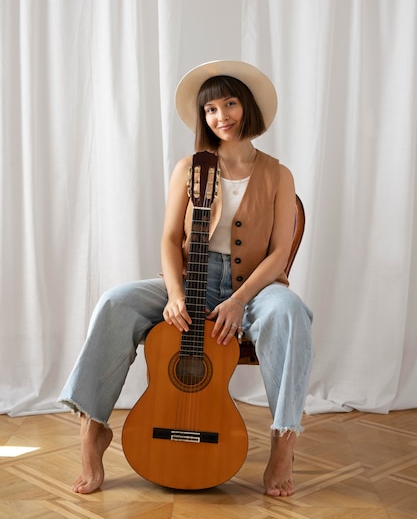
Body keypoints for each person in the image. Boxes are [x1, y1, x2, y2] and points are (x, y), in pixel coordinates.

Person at [59, 60, 313, 498]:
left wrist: (239, 300)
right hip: (191, 278)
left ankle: (283, 439)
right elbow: (169, 237)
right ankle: (93, 428)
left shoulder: (278, 174)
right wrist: (175, 294)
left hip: (252, 286)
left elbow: (278, 255)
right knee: (114, 302)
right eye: (211, 109)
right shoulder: (189, 169)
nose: (221, 116)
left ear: (246, 107)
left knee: (290, 313)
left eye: (230, 104)